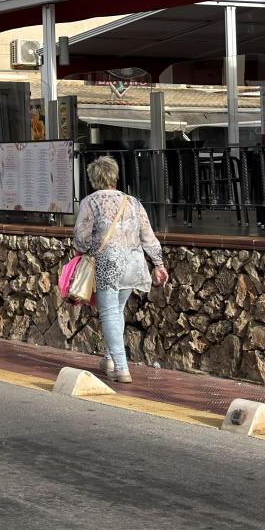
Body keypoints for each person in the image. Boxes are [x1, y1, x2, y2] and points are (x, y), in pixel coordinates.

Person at [72, 155, 167, 384]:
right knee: (117, 311)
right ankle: (109, 359)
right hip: (133, 263)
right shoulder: (132, 202)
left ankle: (122, 368)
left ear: (94, 179)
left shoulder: (90, 202)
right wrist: (158, 264)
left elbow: (81, 239)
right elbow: (148, 234)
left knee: (109, 313)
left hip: (108, 263)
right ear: (114, 176)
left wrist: (86, 250)